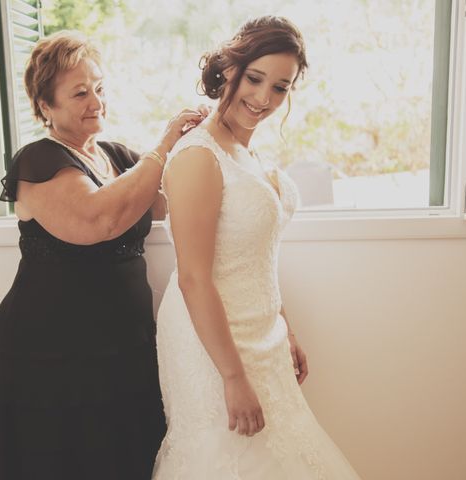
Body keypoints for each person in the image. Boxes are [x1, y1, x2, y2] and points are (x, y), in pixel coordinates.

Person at [0, 30, 206, 480]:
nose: (95, 101)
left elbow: (167, 200)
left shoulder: (118, 156)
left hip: (124, 346)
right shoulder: (38, 161)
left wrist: (200, 145)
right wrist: (162, 147)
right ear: (46, 106)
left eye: (99, 88)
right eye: (80, 92)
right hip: (53, 356)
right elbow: (97, 221)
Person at [153, 16, 362, 479]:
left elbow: (256, 256)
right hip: (210, 341)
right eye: (255, 79)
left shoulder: (248, 153)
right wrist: (232, 376)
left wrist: (283, 326)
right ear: (228, 69)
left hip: (261, 331)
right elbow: (193, 277)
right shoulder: (197, 158)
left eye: (281, 88)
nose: (264, 98)